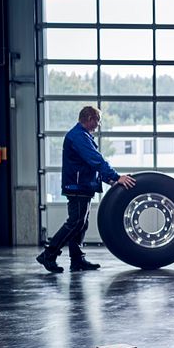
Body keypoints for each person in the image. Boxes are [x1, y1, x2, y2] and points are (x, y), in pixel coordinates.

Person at [36, 106, 136, 273]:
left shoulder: (82, 135)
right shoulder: (78, 136)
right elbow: (95, 160)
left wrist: (110, 179)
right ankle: (49, 254)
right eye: (98, 120)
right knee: (75, 222)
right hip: (77, 186)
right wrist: (116, 177)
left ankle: (77, 260)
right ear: (90, 118)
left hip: (83, 185)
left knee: (81, 224)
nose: (98, 124)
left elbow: (91, 163)